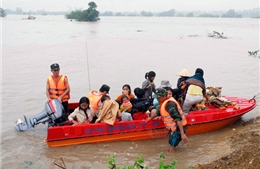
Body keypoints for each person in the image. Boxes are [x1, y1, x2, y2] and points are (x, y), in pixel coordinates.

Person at [155, 88, 189, 152]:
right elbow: (162, 113)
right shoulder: (164, 102)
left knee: (171, 148)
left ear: (164, 96)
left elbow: (177, 118)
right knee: (172, 143)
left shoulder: (170, 105)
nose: (157, 99)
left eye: (158, 97)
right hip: (173, 128)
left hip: (178, 128)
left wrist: (182, 134)